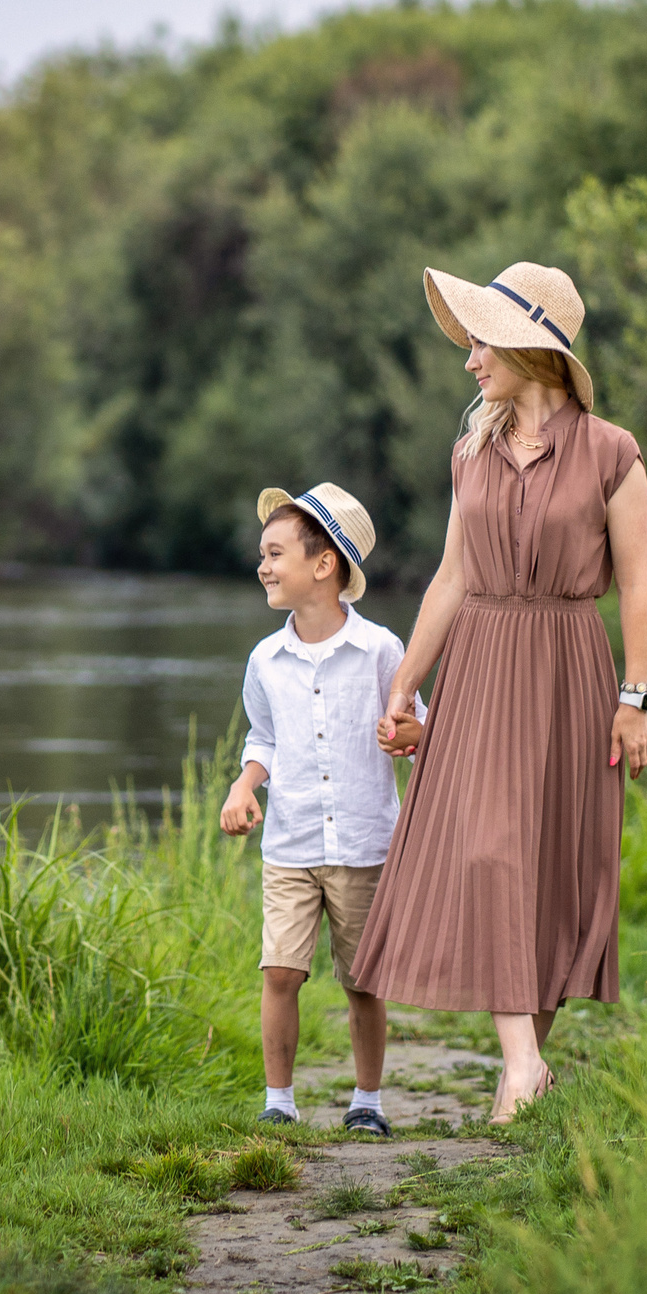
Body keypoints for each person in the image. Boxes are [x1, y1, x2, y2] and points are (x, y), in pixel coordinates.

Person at [346, 261, 647, 1124]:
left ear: (531, 346)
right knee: (490, 852)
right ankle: (523, 1062)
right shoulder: (471, 451)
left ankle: (525, 1068)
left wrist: (638, 697)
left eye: (482, 339)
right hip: (480, 665)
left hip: (570, 664)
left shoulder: (612, 452)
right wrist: (405, 686)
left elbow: (636, 586)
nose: (470, 357)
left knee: (552, 865)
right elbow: (450, 577)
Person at [219, 482, 424, 1135]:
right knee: (280, 970)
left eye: (276, 552)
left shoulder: (383, 651)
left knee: (363, 979)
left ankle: (369, 1101)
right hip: (291, 842)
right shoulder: (265, 659)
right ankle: (279, 1100)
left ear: (324, 563)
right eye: (263, 553)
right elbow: (265, 737)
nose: (264, 565)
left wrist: (410, 737)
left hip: (366, 843)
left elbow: (417, 728)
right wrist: (243, 786)